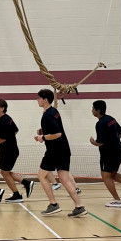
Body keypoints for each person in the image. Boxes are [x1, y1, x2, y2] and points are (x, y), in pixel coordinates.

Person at [35, 89, 87, 217]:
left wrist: (43, 138)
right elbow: (55, 127)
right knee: (64, 179)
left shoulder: (47, 115)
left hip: (54, 151)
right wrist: (43, 130)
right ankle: (79, 206)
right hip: (64, 149)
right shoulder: (54, 111)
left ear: (45, 100)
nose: (37, 100)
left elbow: (57, 134)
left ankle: (53, 204)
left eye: (39, 98)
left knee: (41, 176)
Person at [0, 99, 35, 203]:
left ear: (2, 108)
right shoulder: (8, 119)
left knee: (4, 172)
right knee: (5, 172)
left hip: (8, 151)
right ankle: (25, 184)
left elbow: (2, 139)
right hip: (10, 150)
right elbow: (15, 130)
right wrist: (10, 139)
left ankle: (17, 194)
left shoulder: (4, 120)